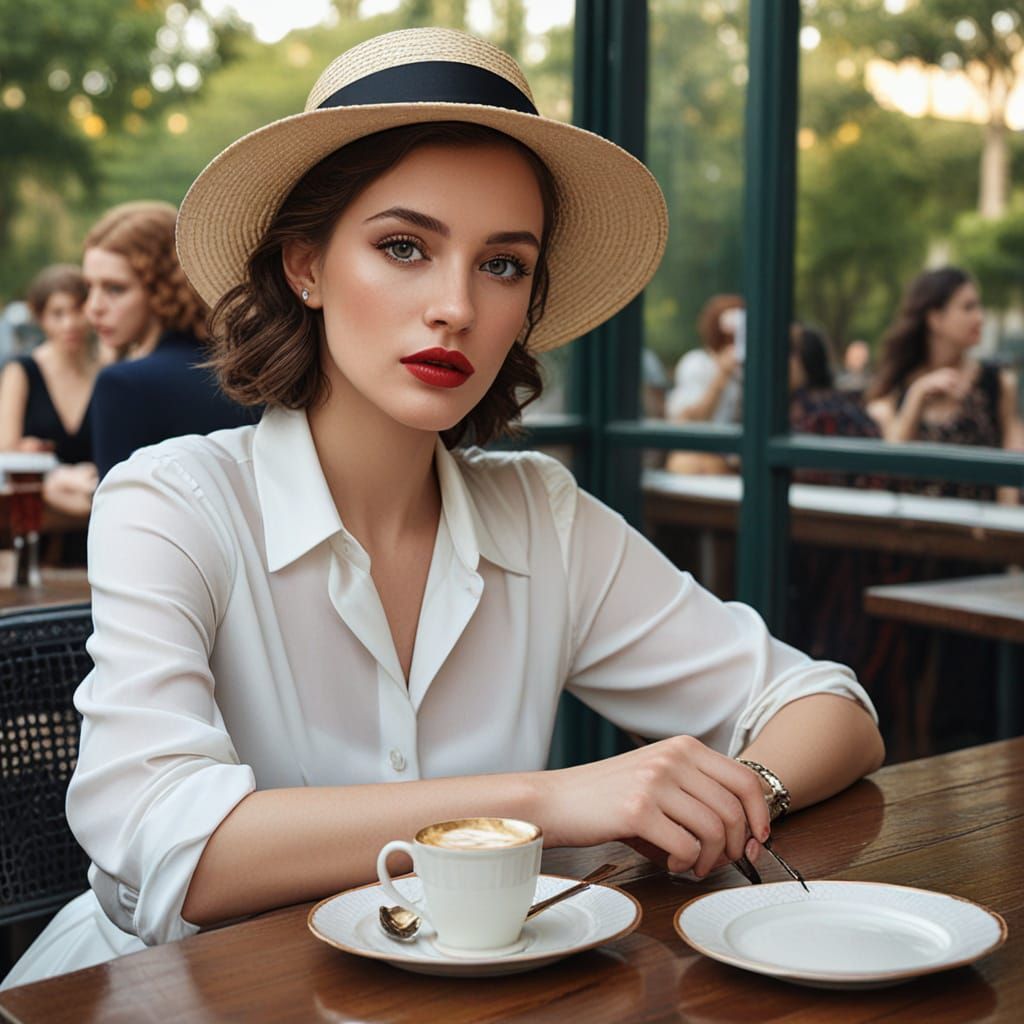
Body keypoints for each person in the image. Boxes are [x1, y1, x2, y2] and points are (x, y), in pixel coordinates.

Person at [3, 28, 883, 989]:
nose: (455, 306)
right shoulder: (171, 502)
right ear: (305, 266)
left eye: (503, 263)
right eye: (404, 246)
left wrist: (739, 791)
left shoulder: (540, 515)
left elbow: (830, 707)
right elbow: (168, 853)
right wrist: (550, 804)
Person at [82, 201, 258, 478]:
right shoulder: (250, 369)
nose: (93, 307)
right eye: (88, 287)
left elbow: (118, 513)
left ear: (160, 287)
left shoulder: (123, 384)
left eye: (115, 288)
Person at [866, 266, 1024, 502]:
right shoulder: (896, 389)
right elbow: (893, 466)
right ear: (935, 318)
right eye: (968, 307)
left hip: (978, 529)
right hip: (913, 529)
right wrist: (916, 397)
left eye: (978, 306)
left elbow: (1010, 469)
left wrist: (1002, 527)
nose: (980, 317)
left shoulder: (997, 382)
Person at [0, 265, 98, 462]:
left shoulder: (105, 370)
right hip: (39, 490)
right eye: (58, 313)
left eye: (77, 310)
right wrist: (23, 451)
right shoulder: (21, 371)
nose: (69, 323)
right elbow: (5, 449)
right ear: (41, 318)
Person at [665, 294, 744, 475]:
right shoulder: (697, 364)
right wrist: (721, 378)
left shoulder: (749, 371)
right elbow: (687, 423)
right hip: (701, 462)